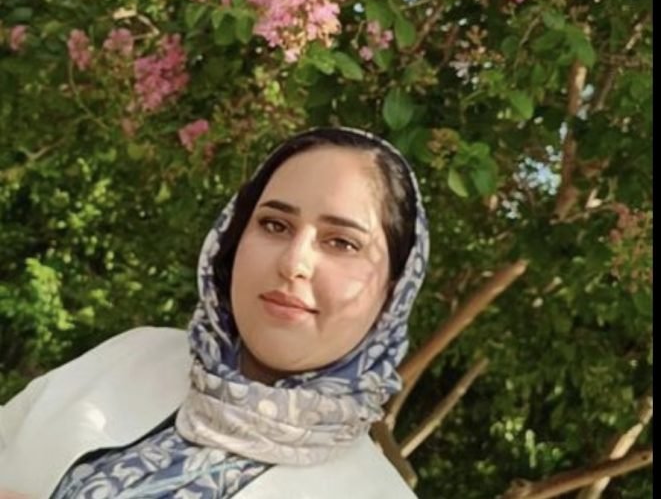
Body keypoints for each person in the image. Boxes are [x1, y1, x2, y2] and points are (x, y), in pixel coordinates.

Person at [0, 127, 429, 498]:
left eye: (342, 243)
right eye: (275, 225)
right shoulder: (134, 358)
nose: (294, 262)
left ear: (394, 291)